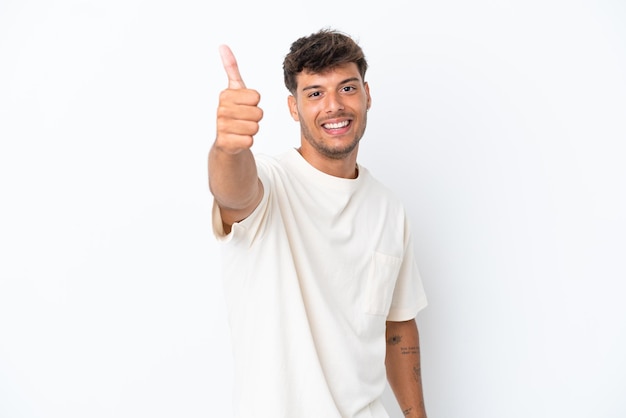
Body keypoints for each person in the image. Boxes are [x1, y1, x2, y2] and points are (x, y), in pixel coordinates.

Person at [208, 28, 428, 418]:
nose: (334, 106)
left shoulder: (388, 207)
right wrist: (228, 149)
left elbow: (398, 326)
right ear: (293, 108)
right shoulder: (270, 183)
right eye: (314, 93)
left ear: (367, 95)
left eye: (347, 88)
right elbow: (234, 194)